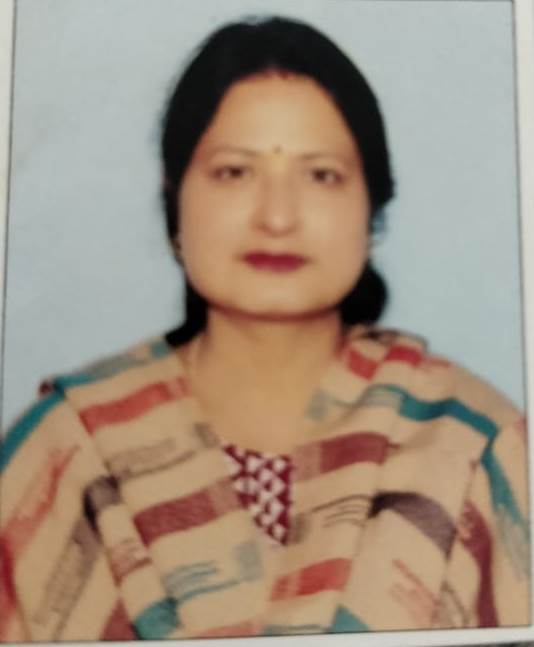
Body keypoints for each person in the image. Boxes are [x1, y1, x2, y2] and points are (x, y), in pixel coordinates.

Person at [0, 15, 529, 642]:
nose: (277, 217)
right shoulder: (64, 452)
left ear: (372, 209)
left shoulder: (471, 449)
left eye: (321, 175)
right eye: (234, 172)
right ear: (175, 200)